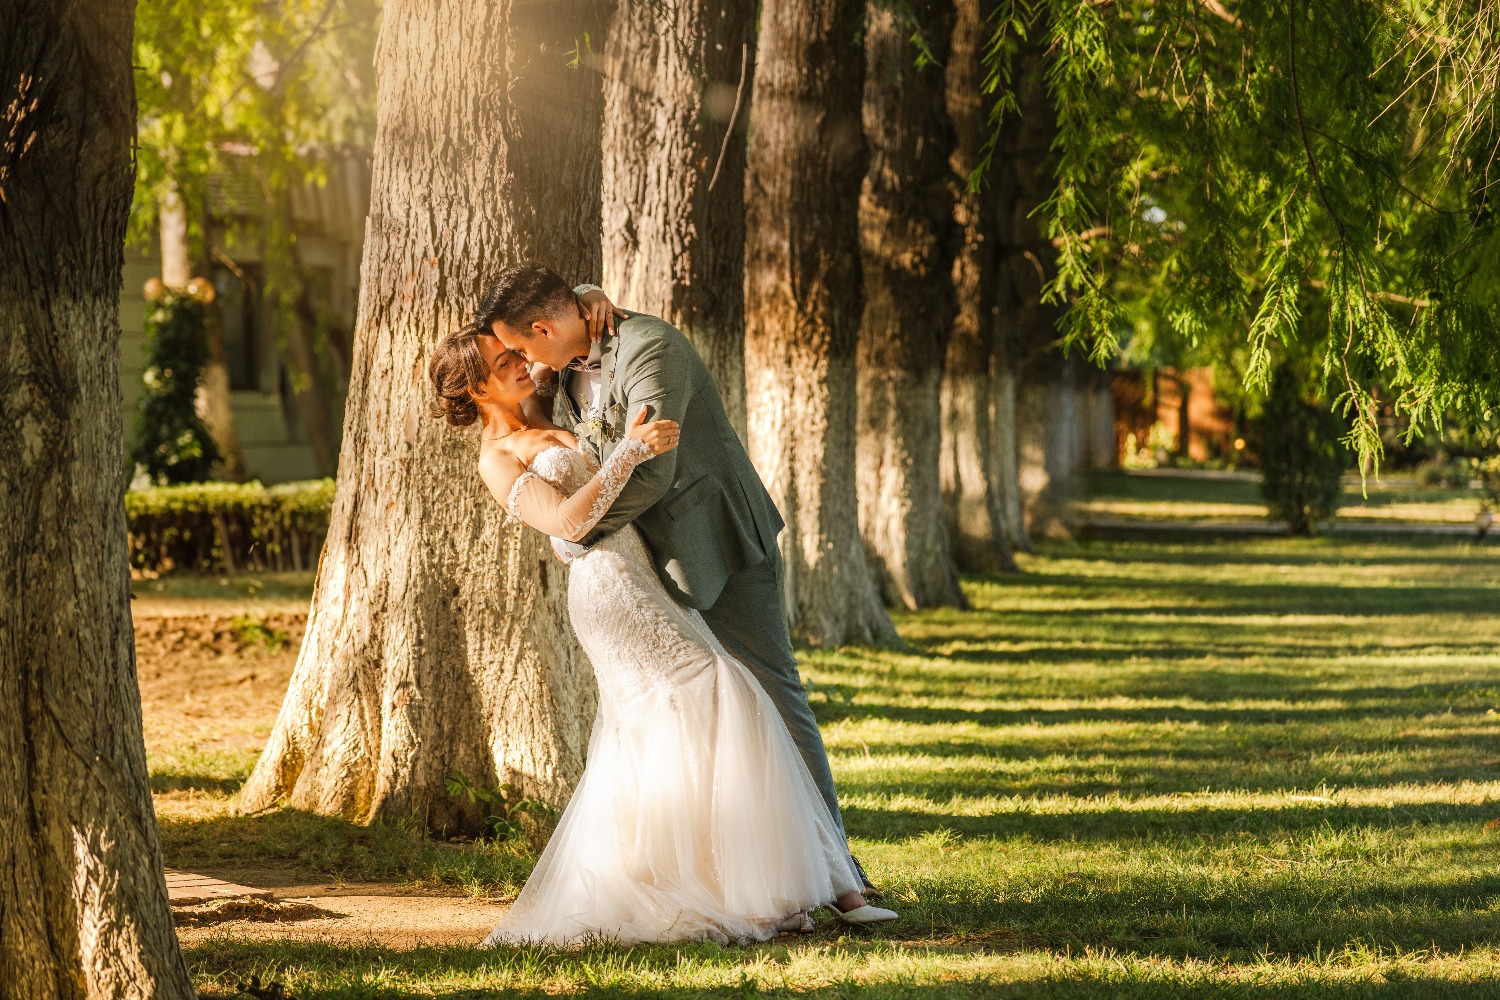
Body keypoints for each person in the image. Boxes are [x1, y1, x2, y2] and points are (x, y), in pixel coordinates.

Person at [428, 318, 895, 946]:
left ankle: (761, 885)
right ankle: (713, 883)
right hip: (609, 594)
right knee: (719, 693)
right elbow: (566, 521)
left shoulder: (540, 398)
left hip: (643, 573)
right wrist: (628, 454)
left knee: (706, 710)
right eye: (500, 359)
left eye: (516, 350)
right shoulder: (499, 456)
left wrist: (594, 299)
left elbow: (572, 327)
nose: (518, 361)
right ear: (475, 388)